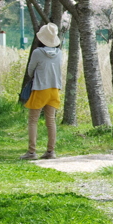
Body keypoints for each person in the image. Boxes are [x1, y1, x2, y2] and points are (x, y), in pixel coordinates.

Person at [21, 23, 63, 160]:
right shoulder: (59, 53)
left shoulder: (37, 52)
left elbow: (30, 70)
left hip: (40, 89)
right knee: (51, 121)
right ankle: (51, 151)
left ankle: (32, 152)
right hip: (54, 89)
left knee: (33, 120)